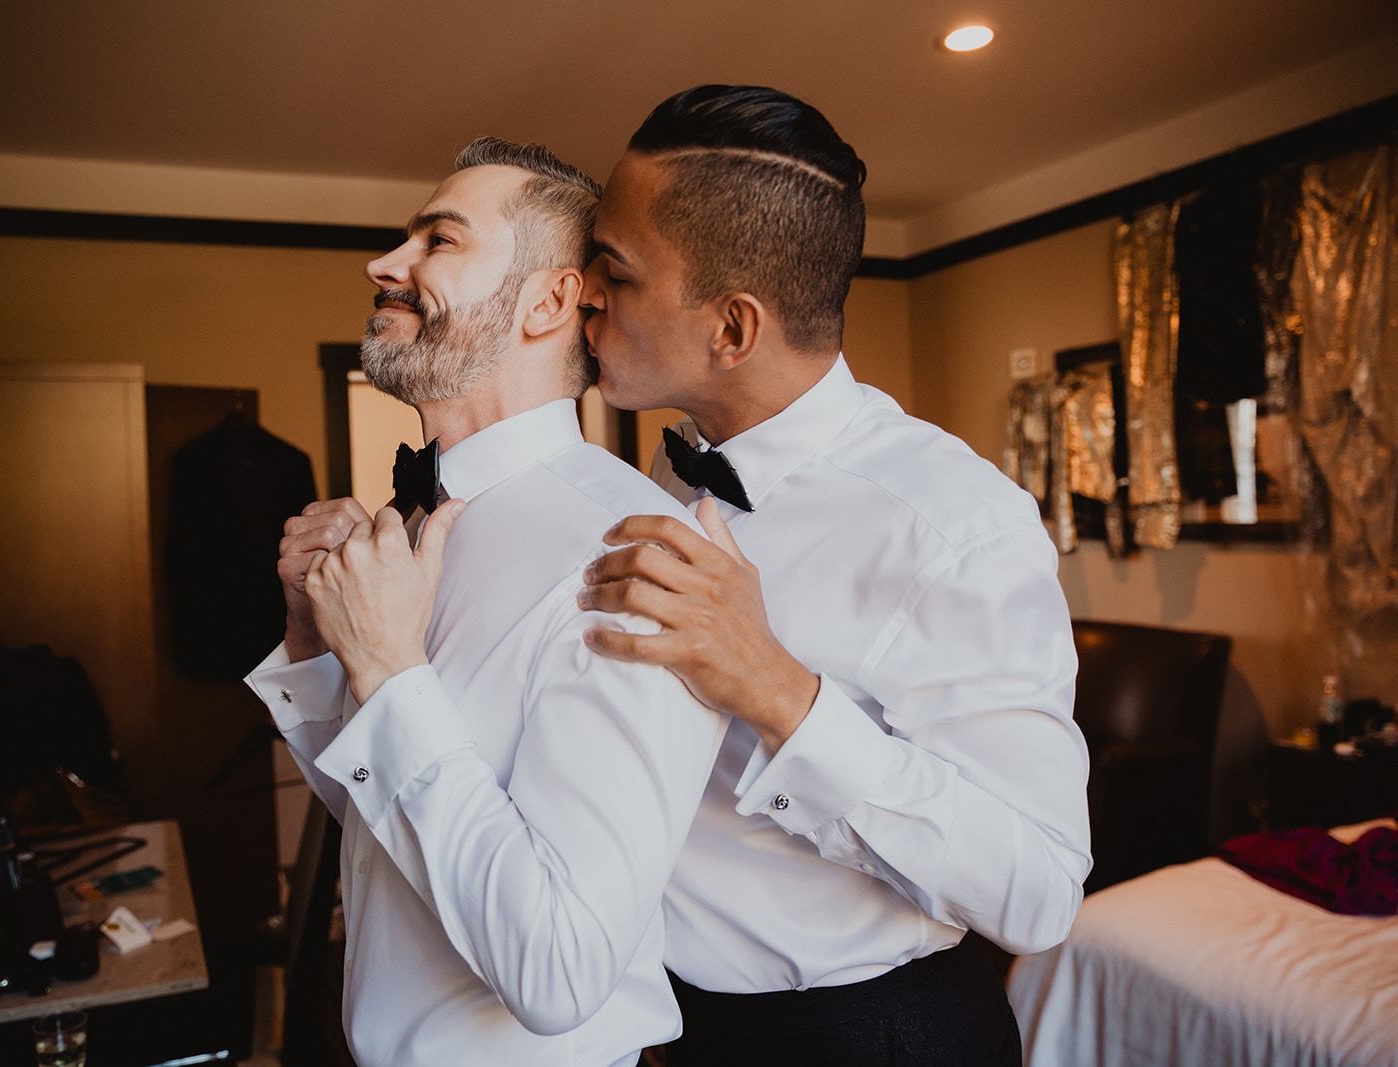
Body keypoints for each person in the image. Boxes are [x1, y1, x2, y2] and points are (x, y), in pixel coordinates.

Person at [576, 85, 1092, 1064]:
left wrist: (775, 688)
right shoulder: (665, 468)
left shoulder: (954, 521)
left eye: (614, 268)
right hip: (665, 1020)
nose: (585, 293)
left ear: (730, 328)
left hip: (867, 1034)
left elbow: (1037, 890)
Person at [243, 137, 726, 1067]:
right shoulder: (406, 528)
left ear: (547, 301)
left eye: (439, 240)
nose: (385, 264)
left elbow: (559, 968)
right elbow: (389, 829)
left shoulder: (631, 549)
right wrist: (318, 645)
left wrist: (388, 671)